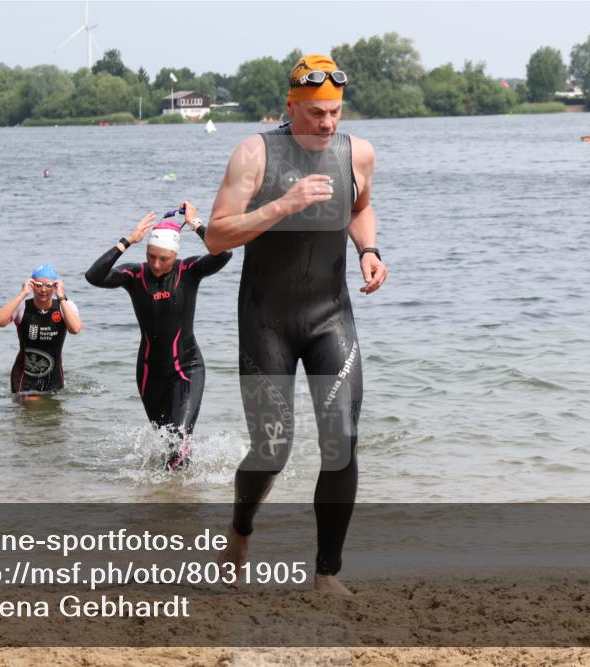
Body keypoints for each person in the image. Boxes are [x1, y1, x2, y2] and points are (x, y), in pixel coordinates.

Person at [205, 54, 388, 593]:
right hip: (266, 320)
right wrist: (281, 206)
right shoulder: (254, 153)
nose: (327, 124)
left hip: (330, 316)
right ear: (291, 106)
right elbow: (216, 235)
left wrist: (369, 250)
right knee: (272, 449)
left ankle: (326, 573)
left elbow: (359, 208)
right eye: (314, 113)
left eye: (333, 112)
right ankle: (239, 532)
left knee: (343, 440)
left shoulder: (358, 153)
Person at [85, 201, 232, 470]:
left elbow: (224, 254)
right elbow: (94, 276)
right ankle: (170, 500)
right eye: (151, 255)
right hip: (149, 373)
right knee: (166, 444)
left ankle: (176, 504)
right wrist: (128, 240)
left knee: (179, 439)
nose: (155, 263)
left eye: (163, 258)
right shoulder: (134, 274)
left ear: (175, 255)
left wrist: (196, 223)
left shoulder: (188, 271)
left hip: (187, 368)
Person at [0, 264, 81, 395]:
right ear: (32, 285)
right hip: (24, 376)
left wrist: (61, 296)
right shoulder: (22, 307)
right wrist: (22, 294)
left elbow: (75, 329)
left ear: (55, 286)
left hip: (54, 376)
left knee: (54, 414)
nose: (43, 290)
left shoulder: (65, 306)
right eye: (38, 285)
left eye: (48, 285)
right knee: (31, 406)